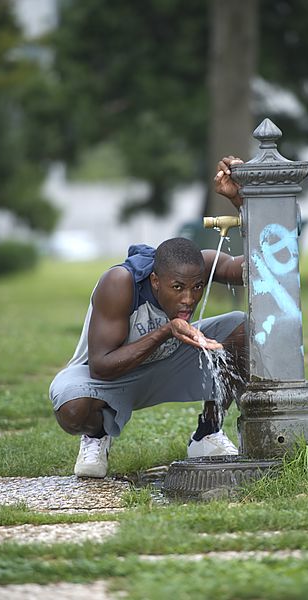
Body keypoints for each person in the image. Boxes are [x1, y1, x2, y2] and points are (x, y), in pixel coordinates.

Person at [49, 157, 246, 478]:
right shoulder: (119, 283)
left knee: (239, 326)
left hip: (169, 364)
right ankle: (97, 436)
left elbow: (255, 266)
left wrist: (241, 200)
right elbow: (100, 366)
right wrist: (167, 331)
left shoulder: (198, 264)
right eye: (178, 288)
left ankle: (208, 432)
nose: (189, 298)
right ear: (155, 282)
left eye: (196, 287)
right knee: (72, 409)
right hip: (108, 377)